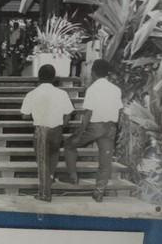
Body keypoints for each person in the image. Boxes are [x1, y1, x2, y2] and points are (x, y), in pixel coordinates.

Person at [60, 59, 123, 202]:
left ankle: (73, 177)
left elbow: (88, 114)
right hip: (111, 128)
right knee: (105, 162)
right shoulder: (116, 89)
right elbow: (119, 112)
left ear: (93, 73)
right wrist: (116, 130)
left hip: (95, 127)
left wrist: (80, 133)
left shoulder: (93, 89)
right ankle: (99, 193)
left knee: (69, 144)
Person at [21, 65, 74, 202]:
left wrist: (36, 113)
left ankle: (45, 194)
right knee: (54, 154)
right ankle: (49, 179)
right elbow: (68, 114)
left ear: (39, 77)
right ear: (53, 78)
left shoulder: (32, 94)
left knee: (42, 161)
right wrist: (62, 124)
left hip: (41, 131)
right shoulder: (62, 93)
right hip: (57, 130)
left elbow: (25, 115)